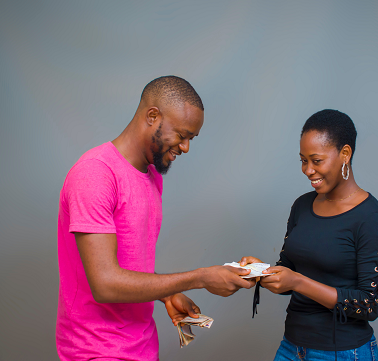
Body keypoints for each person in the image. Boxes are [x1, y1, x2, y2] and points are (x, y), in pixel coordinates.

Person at [56, 76, 255, 360]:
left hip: (142, 346)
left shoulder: (151, 178)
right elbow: (105, 283)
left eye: (191, 139)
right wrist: (199, 278)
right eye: (182, 135)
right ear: (152, 116)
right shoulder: (95, 175)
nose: (185, 147)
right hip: (96, 350)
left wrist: (165, 293)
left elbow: (129, 264)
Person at [240, 109, 378, 361]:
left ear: (345, 154)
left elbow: (370, 304)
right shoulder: (301, 206)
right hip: (292, 347)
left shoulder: (372, 218)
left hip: (342, 353)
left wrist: (298, 282)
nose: (307, 170)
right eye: (302, 160)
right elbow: (287, 271)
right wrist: (261, 272)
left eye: (316, 160)